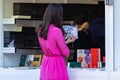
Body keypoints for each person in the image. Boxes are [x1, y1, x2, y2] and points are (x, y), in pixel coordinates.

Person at [37, 4, 73, 80]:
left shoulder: (41, 30)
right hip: (57, 64)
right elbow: (66, 53)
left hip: (46, 62)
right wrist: (66, 43)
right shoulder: (57, 31)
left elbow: (51, 46)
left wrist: (65, 42)